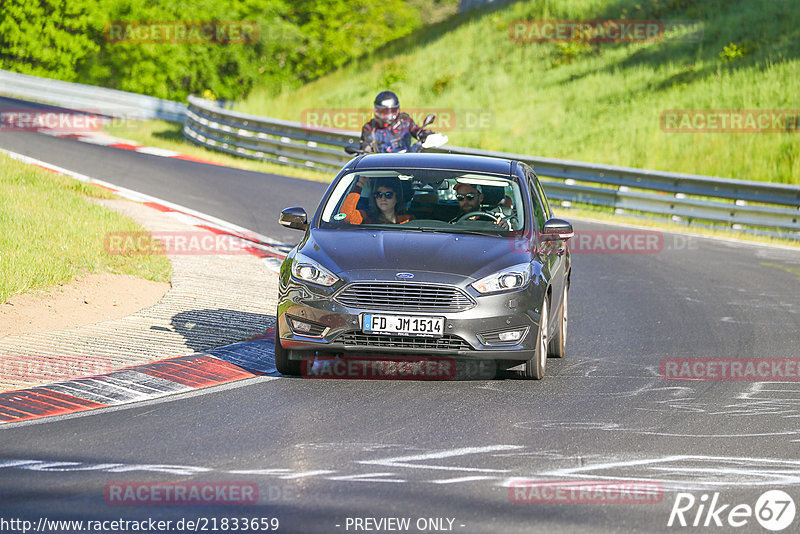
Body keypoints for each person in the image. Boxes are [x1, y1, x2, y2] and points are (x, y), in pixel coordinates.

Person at [359, 91, 433, 153]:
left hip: (406, 161)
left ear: (396, 110)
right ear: (376, 110)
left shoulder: (405, 122)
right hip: (382, 164)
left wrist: (426, 134)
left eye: (389, 112)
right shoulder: (370, 127)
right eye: (382, 112)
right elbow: (365, 148)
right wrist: (363, 152)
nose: (386, 116)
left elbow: (416, 131)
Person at [340, 176, 413, 224]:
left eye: (388, 195)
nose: (383, 198)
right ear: (374, 197)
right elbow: (346, 216)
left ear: (397, 198)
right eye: (379, 195)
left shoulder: (407, 220)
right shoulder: (367, 217)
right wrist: (360, 184)